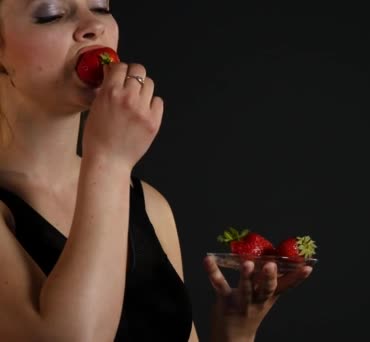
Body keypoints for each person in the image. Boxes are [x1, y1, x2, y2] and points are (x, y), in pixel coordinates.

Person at [0, 0, 314, 341]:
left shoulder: (148, 203)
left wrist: (236, 335)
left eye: (101, 7)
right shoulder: (113, 175)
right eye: (52, 14)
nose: (94, 25)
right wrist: (110, 161)